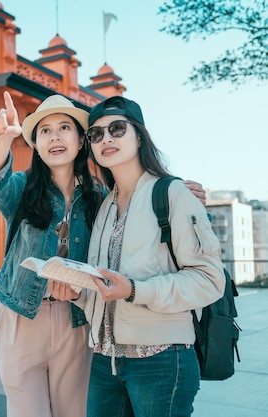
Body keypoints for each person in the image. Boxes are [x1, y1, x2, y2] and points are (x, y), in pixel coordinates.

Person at [57, 96, 225, 417]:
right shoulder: (106, 206)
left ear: (139, 135)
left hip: (161, 360)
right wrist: (78, 292)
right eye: (95, 134)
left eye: (117, 129)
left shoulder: (173, 193)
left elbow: (208, 280)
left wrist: (135, 290)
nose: (106, 138)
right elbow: (107, 287)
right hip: (105, 360)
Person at [0, 91, 103, 417]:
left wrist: (177, 190)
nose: (55, 136)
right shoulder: (22, 188)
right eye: (45, 131)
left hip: (75, 319)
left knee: (73, 412)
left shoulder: (99, 197)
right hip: (20, 314)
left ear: (80, 141)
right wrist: (3, 140)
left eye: (65, 127)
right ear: (35, 144)